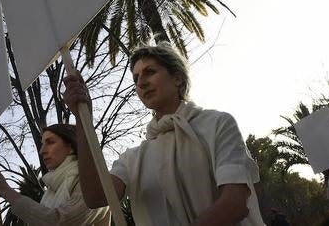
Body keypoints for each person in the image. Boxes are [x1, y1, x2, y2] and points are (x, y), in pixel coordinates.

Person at [63, 42, 265, 226]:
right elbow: (96, 196)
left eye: (149, 72)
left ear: (177, 78)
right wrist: (83, 120)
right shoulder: (132, 159)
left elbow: (234, 202)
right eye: (136, 78)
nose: (141, 83)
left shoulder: (218, 124)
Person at [0, 124, 110, 226]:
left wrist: (4, 190)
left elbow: (59, 221)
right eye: (42, 144)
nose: (42, 151)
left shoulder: (94, 182)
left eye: (50, 142)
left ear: (70, 147)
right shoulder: (50, 191)